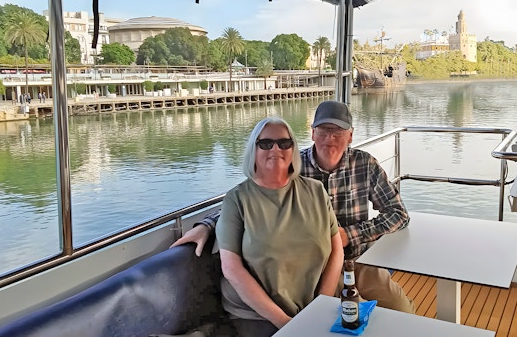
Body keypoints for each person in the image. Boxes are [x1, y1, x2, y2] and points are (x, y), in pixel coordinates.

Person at [171, 101, 414, 314]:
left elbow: (398, 214)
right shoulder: (292, 167)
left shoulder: (365, 165)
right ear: (312, 133)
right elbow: (254, 198)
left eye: (338, 131)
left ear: (350, 136)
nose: (330, 138)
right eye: (324, 130)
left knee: (400, 308)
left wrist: (349, 235)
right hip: (313, 265)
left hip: (358, 258)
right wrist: (208, 225)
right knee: (353, 319)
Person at [214, 117, 343, 336]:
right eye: (266, 143)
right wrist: (285, 322)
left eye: (284, 143)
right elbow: (232, 269)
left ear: (292, 148)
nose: (276, 149)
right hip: (260, 314)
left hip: (319, 301)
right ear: (253, 150)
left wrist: (321, 305)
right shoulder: (237, 200)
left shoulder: (316, 191)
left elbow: (336, 250)